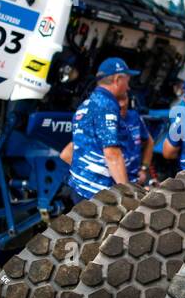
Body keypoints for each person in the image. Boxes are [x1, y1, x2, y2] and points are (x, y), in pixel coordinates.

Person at [62, 57, 150, 200]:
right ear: (117, 79)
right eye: (127, 81)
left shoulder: (88, 104)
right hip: (98, 196)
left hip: (82, 189)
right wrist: (127, 195)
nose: (128, 87)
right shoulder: (106, 107)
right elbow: (112, 155)